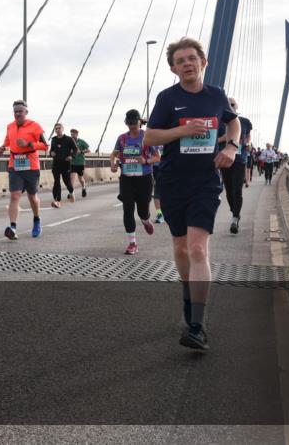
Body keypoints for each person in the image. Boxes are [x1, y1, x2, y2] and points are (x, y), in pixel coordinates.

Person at [145, 37, 240, 351]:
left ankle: (197, 326)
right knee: (181, 247)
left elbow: (234, 121)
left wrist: (231, 146)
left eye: (192, 58)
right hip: (173, 182)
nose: (187, 63)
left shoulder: (216, 95)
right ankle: (188, 294)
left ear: (203, 62)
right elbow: (149, 137)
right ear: (174, 69)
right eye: (180, 60)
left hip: (205, 182)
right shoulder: (167, 98)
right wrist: (182, 131)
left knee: (198, 249)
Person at [109, 109, 159, 255]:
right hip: (127, 179)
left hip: (144, 179)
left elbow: (157, 157)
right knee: (128, 210)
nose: (132, 126)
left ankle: (145, 220)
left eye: (134, 123)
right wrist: (112, 164)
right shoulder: (122, 139)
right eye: (129, 123)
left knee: (142, 210)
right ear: (126, 123)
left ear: (140, 122)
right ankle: (132, 243)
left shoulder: (147, 137)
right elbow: (113, 155)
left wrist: (146, 160)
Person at [0, 100, 48, 240]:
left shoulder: (35, 126)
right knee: (15, 195)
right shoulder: (10, 126)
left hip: (31, 164)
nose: (18, 114)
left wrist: (28, 144)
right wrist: (2, 148)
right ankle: (13, 227)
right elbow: (8, 142)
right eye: (15, 111)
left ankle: (37, 219)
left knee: (32, 196)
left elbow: (45, 145)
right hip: (15, 164)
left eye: (20, 111)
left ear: (26, 112)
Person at [218, 97, 252, 234]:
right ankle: (235, 211)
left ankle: (235, 218)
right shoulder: (220, 122)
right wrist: (229, 137)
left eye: (232, 104)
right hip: (224, 159)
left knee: (237, 190)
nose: (230, 106)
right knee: (229, 191)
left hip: (239, 159)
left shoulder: (245, 122)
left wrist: (248, 143)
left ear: (236, 106)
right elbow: (217, 138)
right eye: (227, 104)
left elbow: (248, 135)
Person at [48, 123, 77, 207]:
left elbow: (75, 149)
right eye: (56, 129)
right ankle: (57, 200)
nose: (57, 130)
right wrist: (51, 153)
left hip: (66, 163)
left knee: (66, 181)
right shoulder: (53, 139)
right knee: (56, 182)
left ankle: (71, 192)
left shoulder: (69, 139)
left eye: (59, 128)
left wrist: (71, 156)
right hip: (56, 163)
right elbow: (51, 151)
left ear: (62, 129)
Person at [69, 128, 90, 197]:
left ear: (77, 134)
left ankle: (83, 187)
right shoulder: (69, 142)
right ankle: (71, 192)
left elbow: (88, 150)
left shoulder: (81, 142)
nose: (72, 135)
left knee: (80, 178)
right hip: (72, 163)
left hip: (80, 163)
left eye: (73, 134)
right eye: (71, 134)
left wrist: (81, 151)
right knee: (72, 178)